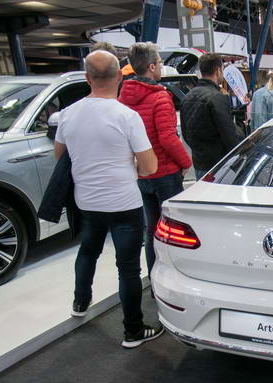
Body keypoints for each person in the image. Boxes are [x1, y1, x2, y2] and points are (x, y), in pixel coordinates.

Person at [54, 50, 162, 348]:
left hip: (87, 202)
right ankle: (133, 331)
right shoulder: (127, 117)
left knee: (88, 252)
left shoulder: (68, 114)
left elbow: (60, 157)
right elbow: (150, 166)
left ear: (87, 78)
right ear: (119, 77)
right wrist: (131, 166)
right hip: (124, 203)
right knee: (128, 268)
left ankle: (80, 303)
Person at [119, 42, 192, 279]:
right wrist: (185, 162)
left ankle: (155, 278)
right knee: (175, 230)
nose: (161, 66)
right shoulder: (160, 97)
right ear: (151, 66)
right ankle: (176, 279)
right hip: (166, 173)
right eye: (159, 62)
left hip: (141, 173)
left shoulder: (123, 98)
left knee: (152, 229)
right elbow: (168, 138)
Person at [181, 53, 241, 179]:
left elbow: (185, 133)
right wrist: (238, 161)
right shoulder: (216, 97)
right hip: (219, 165)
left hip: (199, 163)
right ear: (218, 70)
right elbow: (229, 135)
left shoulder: (187, 97)